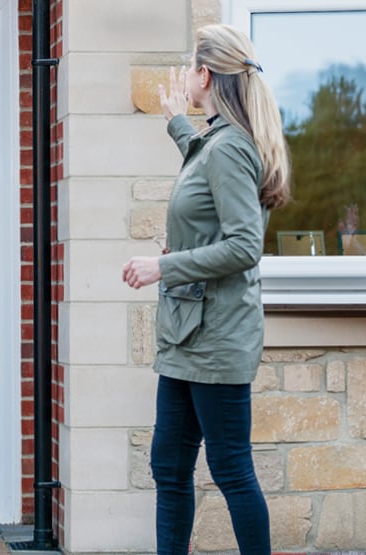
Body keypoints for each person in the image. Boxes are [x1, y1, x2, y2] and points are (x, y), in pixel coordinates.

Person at [122, 24, 290, 555]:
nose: (187, 74)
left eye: (190, 64)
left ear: (206, 74)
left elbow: (245, 246)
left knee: (231, 468)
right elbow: (207, 180)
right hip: (186, 337)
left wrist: (162, 267)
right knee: (169, 465)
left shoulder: (231, 147)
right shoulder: (218, 142)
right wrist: (176, 123)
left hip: (216, 337)